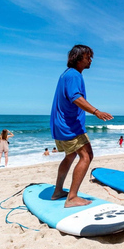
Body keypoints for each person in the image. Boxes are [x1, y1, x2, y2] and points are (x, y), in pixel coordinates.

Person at [50, 44, 113, 208]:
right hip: (70, 125)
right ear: (78, 58)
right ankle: (72, 197)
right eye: (88, 56)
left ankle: (58, 191)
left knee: (70, 156)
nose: (90, 59)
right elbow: (75, 97)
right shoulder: (74, 75)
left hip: (59, 124)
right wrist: (96, 111)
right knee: (87, 156)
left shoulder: (66, 75)